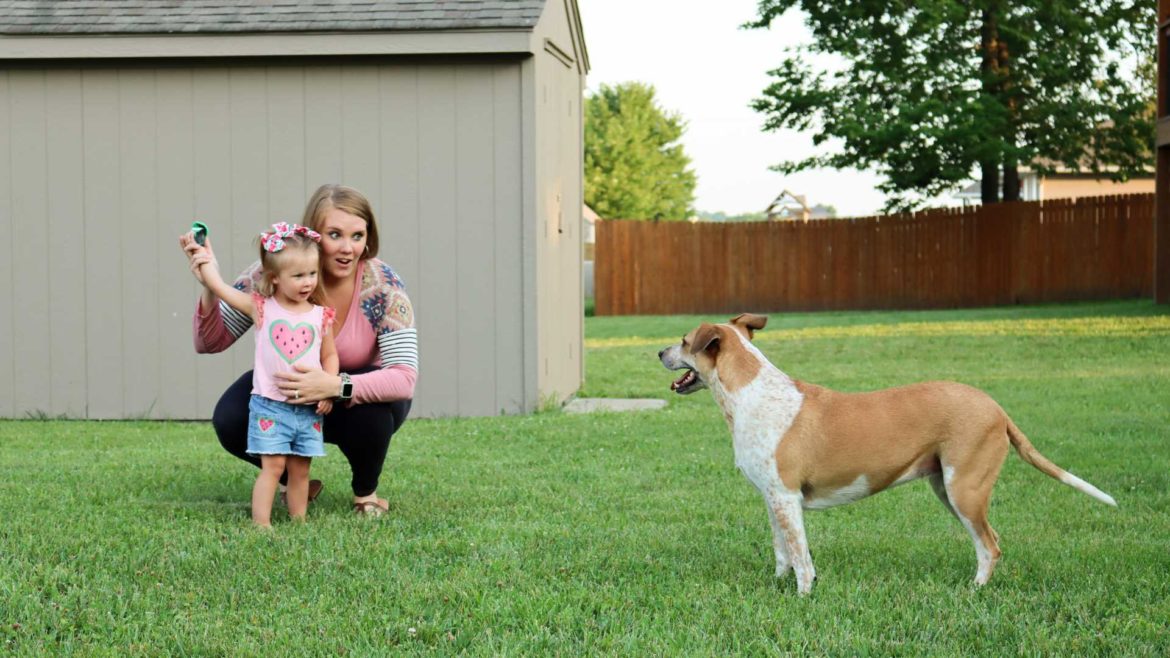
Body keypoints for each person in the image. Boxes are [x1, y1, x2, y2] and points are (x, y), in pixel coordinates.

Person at [181, 184, 417, 516]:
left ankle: (366, 493)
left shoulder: (384, 286)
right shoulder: (273, 273)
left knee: (374, 414)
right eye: (335, 234)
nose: (348, 248)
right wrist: (209, 286)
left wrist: (335, 386)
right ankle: (296, 480)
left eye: (357, 236)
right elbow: (210, 342)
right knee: (231, 416)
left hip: (349, 400)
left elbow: (404, 379)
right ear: (313, 235)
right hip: (286, 397)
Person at [181, 222, 337, 526]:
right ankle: (261, 524)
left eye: (312, 274)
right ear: (274, 278)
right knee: (274, 466)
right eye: (297, 276)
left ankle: (299, 520)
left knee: (300, 468)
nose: (307, 282)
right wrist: (205, 259)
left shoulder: (321, 315)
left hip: (307, 408)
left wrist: (330, 387)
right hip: (271, 406)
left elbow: (330, 355)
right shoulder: (262, 308)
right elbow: (221, 288)